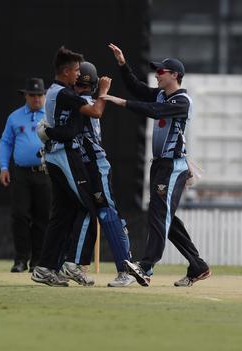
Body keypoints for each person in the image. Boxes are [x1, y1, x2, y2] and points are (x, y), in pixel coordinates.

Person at [101, 43, 211, 287]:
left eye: (161, 72)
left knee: (159, 217)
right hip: (161, 165)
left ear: (175, 76)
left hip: (173, 166)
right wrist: (122, 64)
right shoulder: (162, 94)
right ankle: (198, 265)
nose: (157, 75)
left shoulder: (183, 101)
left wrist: (120, 102)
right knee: (164, 217)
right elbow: (137, 88)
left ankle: (145, 267)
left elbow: (153, 110)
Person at [31, 46, 132, 287]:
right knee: (89, 206)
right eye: (76, 71)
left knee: (64, 212)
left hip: (56, 155)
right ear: (66, 72)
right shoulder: (64, 94)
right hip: (64, 155)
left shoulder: (62, 93)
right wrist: (104, 92)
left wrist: (49, 132)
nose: (78, 76)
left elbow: (69, 125)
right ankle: (73, 264)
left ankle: (46, 267)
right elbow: (96, 111)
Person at [66, 61, 136, 287]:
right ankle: (71, 263)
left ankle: (126, 270)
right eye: (78, 86)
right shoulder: (85, 100)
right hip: (84, 166)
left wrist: (103, 94)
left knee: (107, 214)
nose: (79, 89)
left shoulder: (84, 102)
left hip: (96, 166)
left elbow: (95, 111)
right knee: (84, 212)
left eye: (81, 86)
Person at [0, 78, 51, 273]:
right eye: (33, 95)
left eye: (40, 95)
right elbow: (5, 142)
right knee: (19, 215)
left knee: (42, 218)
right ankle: (21, 259)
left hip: (45, 172)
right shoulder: (15, 117)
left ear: (44, 96)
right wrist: (4, 167)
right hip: (21, 173)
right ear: (26, 96)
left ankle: (38, 260)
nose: (37, 99)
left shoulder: (51, 115)